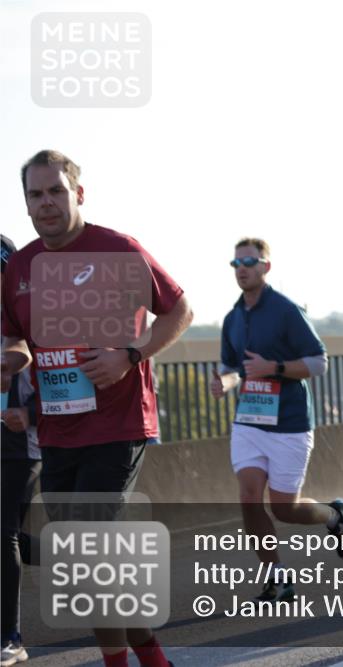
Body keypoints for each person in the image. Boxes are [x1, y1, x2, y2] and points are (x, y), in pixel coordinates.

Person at [1, 150, 193, 667]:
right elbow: (16, 339)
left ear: (78, 193)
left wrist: (130, 355)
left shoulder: (117, 249)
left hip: (118, 422)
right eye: (35, 195)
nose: (46, 204)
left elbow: (178, 309)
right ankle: (151, 657)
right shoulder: (20, 267)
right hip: (58, 431)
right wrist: (9, 361)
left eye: (55, 191)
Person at [210, 238, 343, 602]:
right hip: (249, 422)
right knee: (248, 498)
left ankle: (333, 515)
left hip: (289, 423)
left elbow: (319, 362)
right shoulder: (232, 318)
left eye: (250, 261)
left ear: (265, 267)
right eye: (236, 262)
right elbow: (232, 369)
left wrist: (273, 368)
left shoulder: (286, 311)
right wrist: (224, 383)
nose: (242, 268)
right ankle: (278, 579)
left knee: (284, 507)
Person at [1, 235, 41, 667]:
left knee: (2, 531)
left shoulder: (32, 317)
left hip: (20, 442)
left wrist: (28, 412)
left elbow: (55, 377)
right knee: (11, 536)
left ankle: (10, 637)